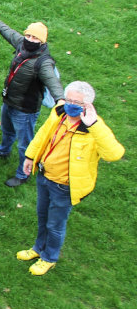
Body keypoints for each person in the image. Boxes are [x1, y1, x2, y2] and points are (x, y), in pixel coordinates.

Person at [17, 82, 124, 275]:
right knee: (42, 217)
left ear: (87, 106)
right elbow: (43, 135)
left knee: (55, 225)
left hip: (64, 187)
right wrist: (30, 156)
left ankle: (49, 258)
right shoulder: (59, 113)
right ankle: (37, 248)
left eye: (77, 102)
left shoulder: (93, 128)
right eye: (69, 99)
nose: (71, 104)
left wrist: (94, 125)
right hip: (44, 177)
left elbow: (114, 154)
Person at [0, 17, 64, 188]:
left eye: (36, 38)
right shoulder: (22, 44)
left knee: (25, 145)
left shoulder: (43, 62)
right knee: (7, 129)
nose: (31, 40)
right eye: (29, 36)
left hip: (25, 110)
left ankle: (23, 174)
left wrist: (60, 99)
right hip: (10, 100)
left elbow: (52, 80)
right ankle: (3, 150)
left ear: (42, 42)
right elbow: (9, 32)